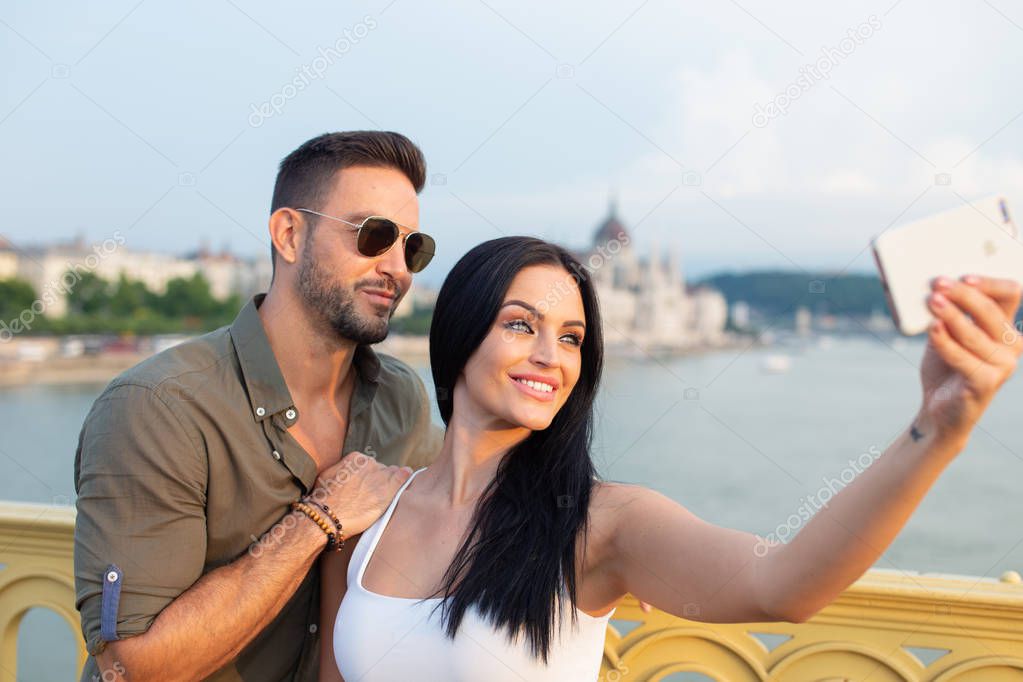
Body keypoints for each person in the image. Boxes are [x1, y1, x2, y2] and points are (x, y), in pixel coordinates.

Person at [320, 236, 1022, 681]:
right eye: (519, 325)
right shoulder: (367, 513)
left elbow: (785, 586)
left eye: (570, 338)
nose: (548, 356)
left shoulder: (601, 523)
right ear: (458, 336)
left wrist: (938, 428)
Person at [73, 130, 444, 682]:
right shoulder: (159, 409)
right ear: (290, 235)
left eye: (412, 247)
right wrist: (320, 520)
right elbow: (131, 668)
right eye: (373, 235)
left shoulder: (401, 399)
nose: (398, 268)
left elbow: (468, 510)